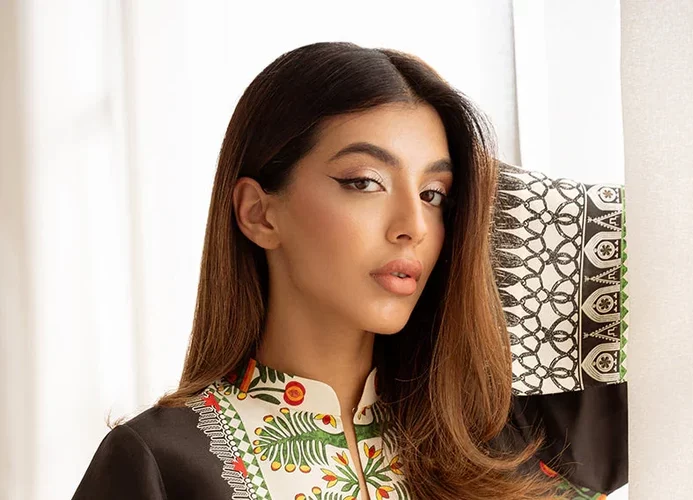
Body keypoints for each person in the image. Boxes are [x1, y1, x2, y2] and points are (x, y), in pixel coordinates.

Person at [72, 41, 596, 500]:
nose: (413, 226)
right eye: (365, 182)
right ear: (259, 213)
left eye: (434, 194)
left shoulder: (502, 449)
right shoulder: (160, 463)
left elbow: (645, 257)